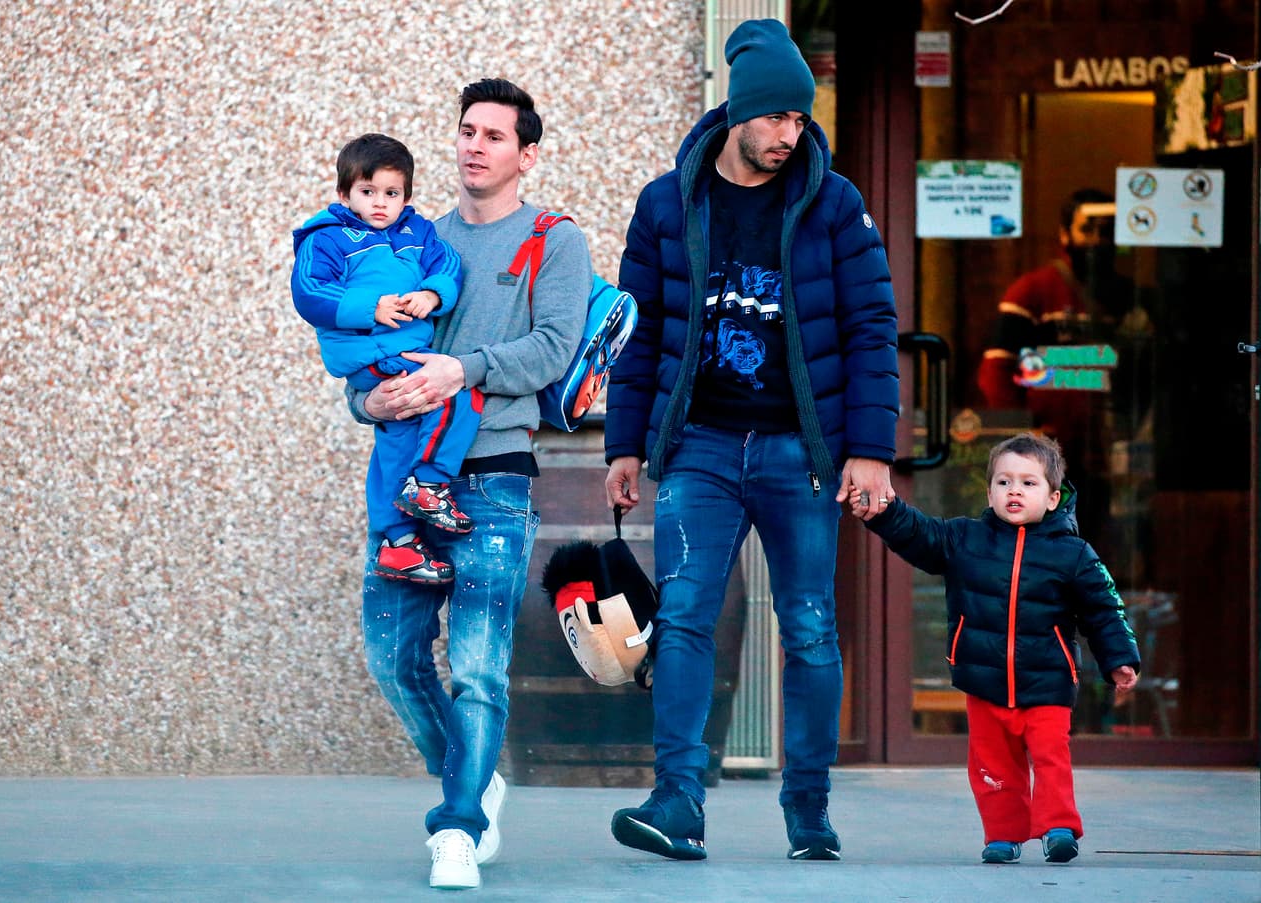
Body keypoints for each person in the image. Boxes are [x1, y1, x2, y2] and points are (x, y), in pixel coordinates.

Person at [603, 18, 900, 863]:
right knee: (686, 616)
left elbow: (873, 328)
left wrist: (870, 449)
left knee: (807, 625)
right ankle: (678, 801)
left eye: (801, 121)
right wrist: (626, 444)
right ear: (741, 111)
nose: (790, 135)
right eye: (777, 118)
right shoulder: (670, 201)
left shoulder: (834, 203)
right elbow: (641, 331)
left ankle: (808, 810)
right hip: (698, 444)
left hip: (799, 453)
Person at [342, 80, 592, 890]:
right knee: (391, 653)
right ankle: (475, 781)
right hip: (405, 476)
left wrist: (466, 369)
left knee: (478, 667)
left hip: (495, 477)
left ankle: (455, 827)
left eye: (493, 135)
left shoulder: (554, 240)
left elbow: (555, 346)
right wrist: (365, 399)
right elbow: (364, 341)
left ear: (527, 154)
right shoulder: (415, 237)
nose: (473, 146)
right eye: (465, 131)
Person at [851, 432, 1140, 865]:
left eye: (1028, 483)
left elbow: (1103, 610)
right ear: (989, 493)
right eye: (1004, 483)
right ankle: (1003, 835)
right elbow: (918, 535)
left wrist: (1118, 658)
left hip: (1047, 681)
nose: (1015, 491)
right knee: (992, 766)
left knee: (1050, 759)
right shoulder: (964, 539)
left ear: (1053, 496)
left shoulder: (1074, 554)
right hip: (983, 680)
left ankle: (1059, 828)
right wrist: (884, 510)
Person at [292, 133, 477, 586]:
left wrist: (433, 293)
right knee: (456, 396)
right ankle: (430, 484)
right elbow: (310, 292)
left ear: (407, 196)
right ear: (344, 194)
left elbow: (449, 266)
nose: (379, 203)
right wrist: (370, 307)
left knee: (399, 435)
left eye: (391, 193)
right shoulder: (329, 238)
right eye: (367, 192)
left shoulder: (420, 233)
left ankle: (397, 544)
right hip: (370, 350)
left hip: (405, 350)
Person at [975, 188, 1139, 552]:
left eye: (1107, 230)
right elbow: (995, 372)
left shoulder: (1126, 298)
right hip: (1046, 458)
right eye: (1088, 229)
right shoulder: (1032, 292)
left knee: (1096, 548)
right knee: (1043, 550)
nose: (1098, 240)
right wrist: (1026, 439)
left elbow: (1136, 377)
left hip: (1104, 454)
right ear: (1065, 234)